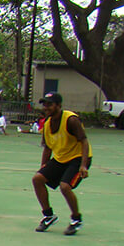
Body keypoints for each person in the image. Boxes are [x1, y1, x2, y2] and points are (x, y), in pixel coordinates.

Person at [32, 92, 92, 235]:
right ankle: (48, 216)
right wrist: (43, 166)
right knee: (37, 179)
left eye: (50, 104)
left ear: (58, 105)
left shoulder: (71, 120)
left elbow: (84, 141)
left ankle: (76, 219)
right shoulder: (47, 124)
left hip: (78, 158)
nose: (46, 107)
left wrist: (83, 165)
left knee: (65, 186)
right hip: (61, 158)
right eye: (44, 104)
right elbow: (47, 148)